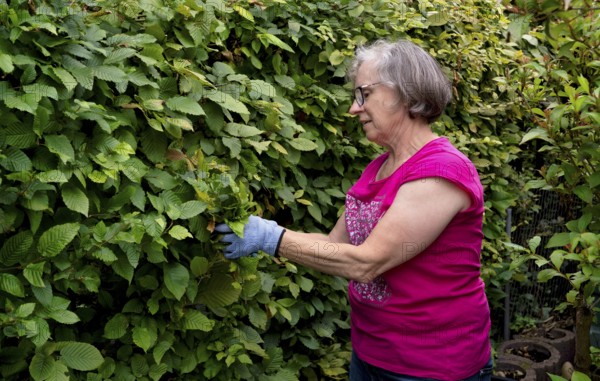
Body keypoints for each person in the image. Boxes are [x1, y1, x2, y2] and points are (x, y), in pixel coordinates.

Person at [215, 39, 492, 381]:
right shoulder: (378, 169)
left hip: (432, 366)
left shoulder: (442, 171)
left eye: (364, 94)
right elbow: (334, 243)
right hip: (372, 356)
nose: (353, 108)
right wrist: (264, 233)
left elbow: (367, 262)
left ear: (404, 92)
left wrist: (272, 238)